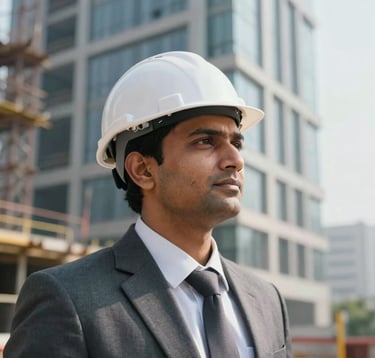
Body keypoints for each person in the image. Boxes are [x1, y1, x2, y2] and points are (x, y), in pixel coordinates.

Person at [5, 51, 292, 358]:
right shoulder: (67, 300)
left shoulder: (267, 300)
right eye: (205, 141)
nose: (235, 160)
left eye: (236, 143)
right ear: (142, 170)